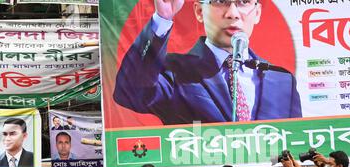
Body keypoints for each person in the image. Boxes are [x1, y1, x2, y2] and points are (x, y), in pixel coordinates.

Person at [114, 0, 302, 125]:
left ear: (258, 12)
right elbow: (129, 93)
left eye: (243, 2)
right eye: (221, 1)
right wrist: (163, 18)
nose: (233, 13)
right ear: (199, 11)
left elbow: (293, 141)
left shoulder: (283, 80)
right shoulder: (173, 71)